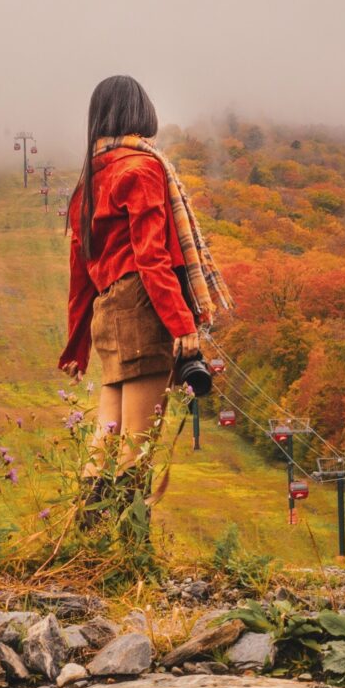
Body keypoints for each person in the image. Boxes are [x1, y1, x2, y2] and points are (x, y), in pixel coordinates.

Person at [57, 75, 232, 516]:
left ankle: (87, 537)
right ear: (141, 112)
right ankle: (133, 543)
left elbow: (80, 272)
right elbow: (151, 257)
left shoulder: (89, 180)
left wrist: (77, 345)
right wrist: (182, 323)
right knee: (138, 446)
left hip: (108, 310)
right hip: (141, 306)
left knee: (106, 439)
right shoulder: (142, 168)